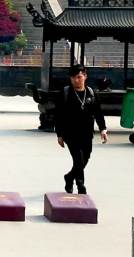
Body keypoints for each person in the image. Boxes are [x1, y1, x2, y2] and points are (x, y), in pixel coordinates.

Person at [55, 64, 107, 194]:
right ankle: (80, 185)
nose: (77, 80)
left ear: (85, 76)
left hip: (87, 133)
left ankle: (69, 177)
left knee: (86, 157)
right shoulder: (66, 93)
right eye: (74, 77)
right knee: (78, 158)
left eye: (79, 77)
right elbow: (58, 115)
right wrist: (59, 134)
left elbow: (98, 112)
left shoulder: (91, 93)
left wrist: (103, 129)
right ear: (71, 78)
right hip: (70, 133)